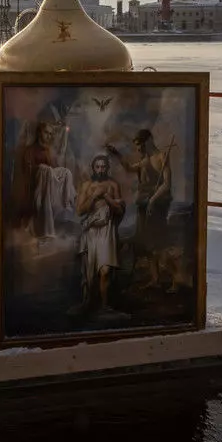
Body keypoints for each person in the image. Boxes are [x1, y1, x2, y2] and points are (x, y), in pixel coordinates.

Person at [107, 129, 172, 261]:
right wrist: (117, 154)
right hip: (144, 202)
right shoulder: (145, 160)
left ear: (148, 141)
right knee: (143, 237)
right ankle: (150, 270)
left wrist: (152, 200)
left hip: (158, 203)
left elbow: (167, 184)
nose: (138, 148)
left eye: (139, 144)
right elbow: (129, 168)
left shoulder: (162, 156)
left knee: (155, 240)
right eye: (136, 145)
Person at [74, 153, 125, 314]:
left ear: (107, 168)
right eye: (98, 167)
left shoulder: (113, 185)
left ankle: (105, 306)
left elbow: (120, 210)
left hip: (107, 230)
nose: (101, 170)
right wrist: (94, 197)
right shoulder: (86, 186)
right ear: (93, 168)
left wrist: (107, 197)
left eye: (103, 167)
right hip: (90, 231)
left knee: (105, 270)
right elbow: (79, 211)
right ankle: (88, 302)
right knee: (89, 273)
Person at [19, 120, 75, 239]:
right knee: (45, 169)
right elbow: (28, 172)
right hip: (37, 186)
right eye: (46, 132)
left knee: (66, 172)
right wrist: (43, 170)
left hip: (49, 184)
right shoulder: (30, 150)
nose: (48, 136)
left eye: (50, 134)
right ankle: (43, 228)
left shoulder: (48, 151)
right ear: (39, 133)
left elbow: (54, 169)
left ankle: (66, 201)